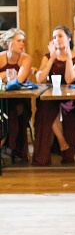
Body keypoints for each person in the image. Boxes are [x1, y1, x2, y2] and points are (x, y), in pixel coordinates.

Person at [33, 26, 75, 165]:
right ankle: (61, 141)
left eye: (60, 36)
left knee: (69, 111)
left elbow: (69, 79)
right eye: (54, 37)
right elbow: (40, 79)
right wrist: (51, 58)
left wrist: (68, 58)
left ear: (68, 38)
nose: (57, 39)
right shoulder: (47, 56)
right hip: (50, 94)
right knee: (46, 107)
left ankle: (67, 151)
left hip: (69, 96)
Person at [0, 28, 33, 161]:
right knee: (4, 114)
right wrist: (6, 75)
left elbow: (18, 80)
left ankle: (7, 146)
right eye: (18, 41)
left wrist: (3, 76)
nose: (22, 44)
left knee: (11, 114)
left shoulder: (26, 58)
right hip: (2, 98)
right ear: (8, 43)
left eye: (23, 41)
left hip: (19, 99)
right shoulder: (1, 57)